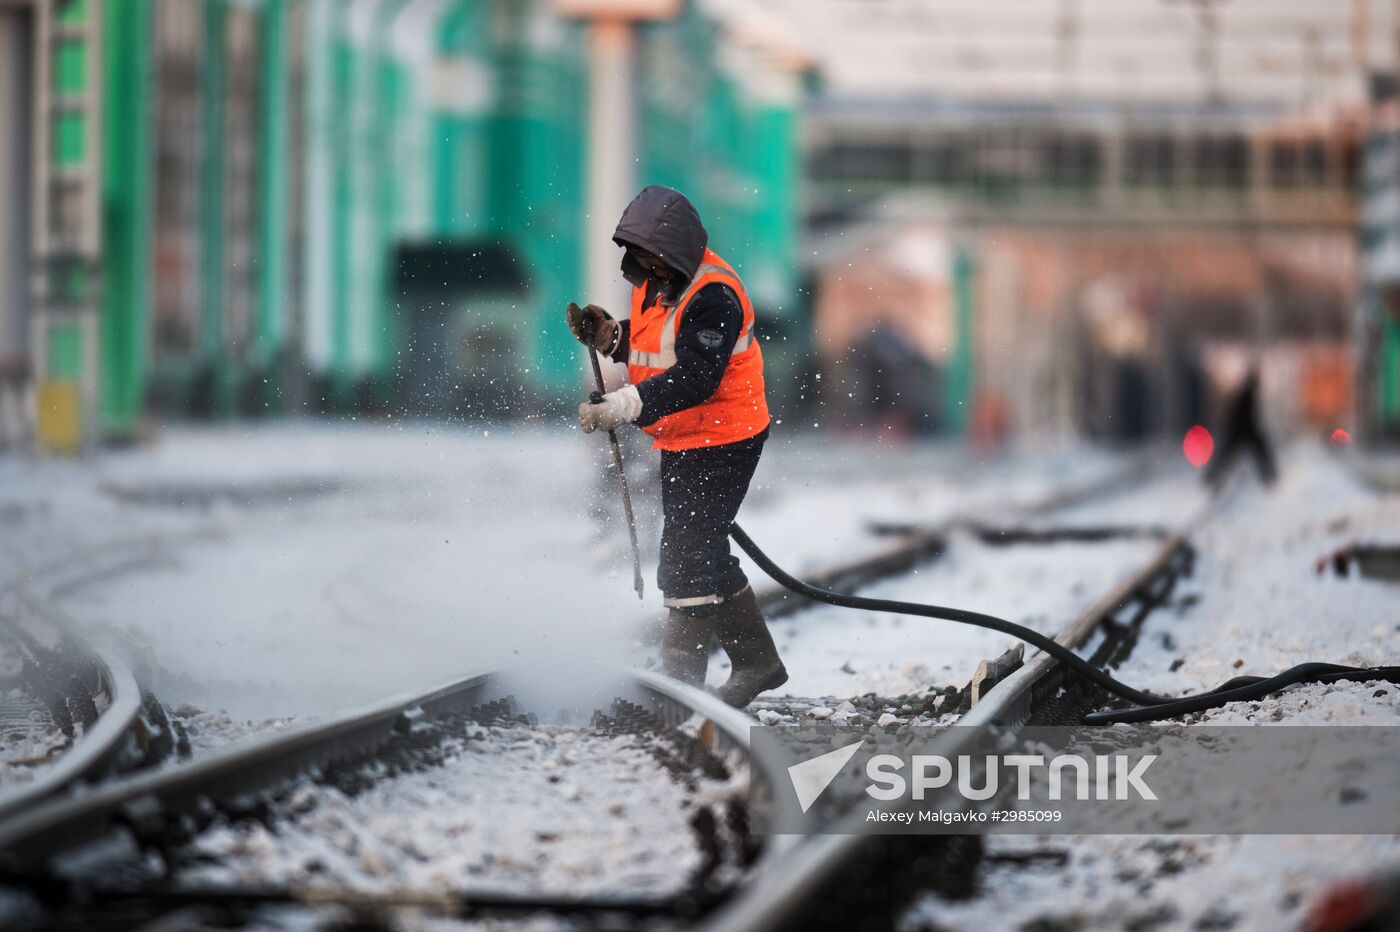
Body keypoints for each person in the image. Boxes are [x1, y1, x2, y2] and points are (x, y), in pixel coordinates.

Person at [565, 184, 787, 708]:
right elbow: (656, 346)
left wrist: (624, 404)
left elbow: (695, 377)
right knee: (702, 546)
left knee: (687, 556)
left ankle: (679, 689)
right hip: (686, 436)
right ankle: (759, 663)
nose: (645, 268)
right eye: (639, 258)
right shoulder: (655, 283)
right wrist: (611, 340)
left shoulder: (714, 294)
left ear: (676, 253)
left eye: (653, 259)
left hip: (726, 436)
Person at [1204, 365, 1277, 488]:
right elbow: (1244, 416)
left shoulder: (1246, 393)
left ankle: (1212, 475)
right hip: (1242, 430)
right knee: (1257, 451)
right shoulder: (1248, 394)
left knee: (1228, 454)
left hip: (1242, 430)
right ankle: (1269, 474)